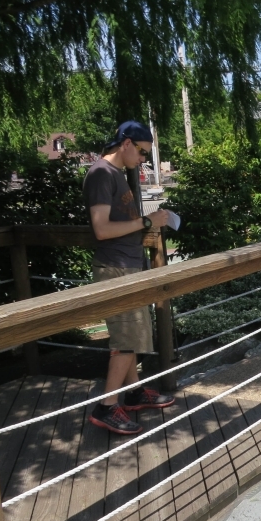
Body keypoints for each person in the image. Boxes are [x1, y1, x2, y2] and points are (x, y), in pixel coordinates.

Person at [83, 121, 177, 434]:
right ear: (125, 143)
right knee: (126, 339)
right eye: (140, 151)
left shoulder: (115, 175)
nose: (142, 159)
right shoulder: (100, 174)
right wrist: (147, 221)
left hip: (128, 264)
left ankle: (134, 392)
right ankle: (106, 407)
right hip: (116, 268)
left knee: (132, 334)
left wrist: (147, 222)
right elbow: (102, 229)